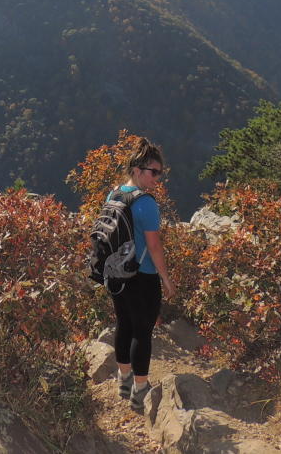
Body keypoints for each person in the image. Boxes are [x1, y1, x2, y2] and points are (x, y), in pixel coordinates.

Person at [108, 138, 176, 412]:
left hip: (116, 272)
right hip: (142, 275)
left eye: (160, 172)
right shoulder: (147, 204)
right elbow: (154, 246)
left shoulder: (114, 194)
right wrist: (166, 279)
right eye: (153, 171)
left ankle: (123, 382)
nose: (157, 178)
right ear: (137, 169)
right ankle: (140, 390)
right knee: (142, 332)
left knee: (123, 323)